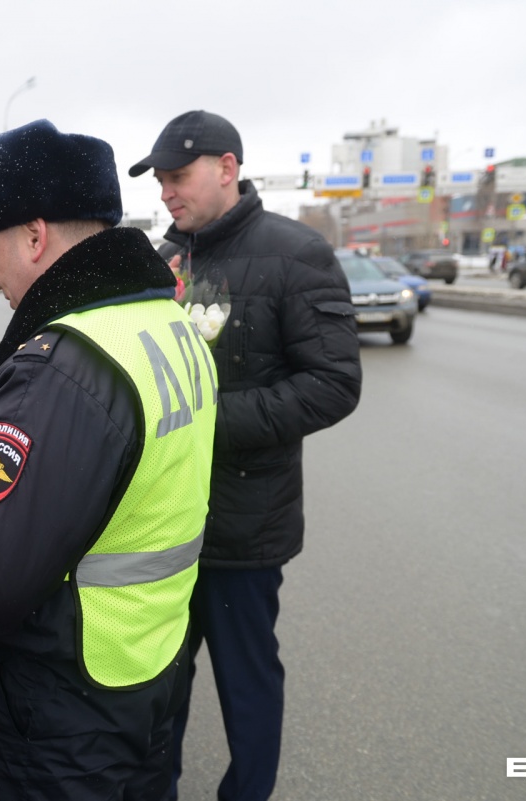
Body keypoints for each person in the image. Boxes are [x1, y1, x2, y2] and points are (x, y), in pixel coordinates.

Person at [0, 119, 219, 801]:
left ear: (34, 235)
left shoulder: (65, 371)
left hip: (69, 712)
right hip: (154, 667)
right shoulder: (169, 325)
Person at [128, 110, 362, 801]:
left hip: (244, 527)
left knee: (247, 683)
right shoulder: (163, 261)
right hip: (160, 528)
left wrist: (205, 422)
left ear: (227, 167)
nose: (167, 192)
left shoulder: (297, 254)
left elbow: (334, 384)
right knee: (158, 689)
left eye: (179, 176)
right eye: (160, 180)